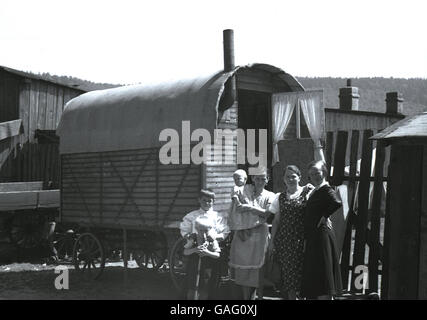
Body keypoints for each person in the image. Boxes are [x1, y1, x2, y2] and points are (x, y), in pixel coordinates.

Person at [228, 167, 276, 300]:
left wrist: (249, 208)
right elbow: (235, 201)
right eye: (257, 178)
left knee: (258, 270)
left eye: (263, 178)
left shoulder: (271, 195)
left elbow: (267, 214)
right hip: (243, 234)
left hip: (259, 235)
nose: (260, 181)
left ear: (267, 180)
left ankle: (258, 298)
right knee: (243, 270)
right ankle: (246, 299)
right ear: (253, 179)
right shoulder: (246, 190)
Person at [269, 165, 314, 300]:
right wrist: (272, 242)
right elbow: (277, 221)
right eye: (287, 177)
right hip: (285, 243)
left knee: (303, 275)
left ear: (299, 177)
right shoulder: (280, 197)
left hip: (303, 241)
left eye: (293, 176)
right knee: (289, 277)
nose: (290, 179)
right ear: (283, 179)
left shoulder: (307, 192)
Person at [301, 160, 343, 300]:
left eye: (317, 173)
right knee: (316, 270)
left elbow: (337, 202)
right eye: (312, 174)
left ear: (323, 173)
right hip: (314, 236)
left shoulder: (326, 189)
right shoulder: (316, 189)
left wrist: (325, 216)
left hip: (321, 236)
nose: (315, 176)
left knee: (322, 271)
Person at [179, 189, 229, 300]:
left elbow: (225, 232)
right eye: (204, 200)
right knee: (193, 281)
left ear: (213, 201)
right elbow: (184, 231)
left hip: (210, 251)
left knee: (208, 281)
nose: (207, 203)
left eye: (210, 201)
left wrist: (215, 237)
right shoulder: (192, 216)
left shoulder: (217, 217)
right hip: (195, 250)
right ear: (199, 200)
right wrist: (189, 236)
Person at [228, 169, 260, 235]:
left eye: (238, 178)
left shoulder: (249, 187)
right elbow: (234, 197)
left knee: (249, 219)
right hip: (238, 207)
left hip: (248, 205)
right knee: (239, 220)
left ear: (245, 179)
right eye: (235, 179)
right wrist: (238, 203)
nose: (236, 181)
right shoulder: (235, 188)